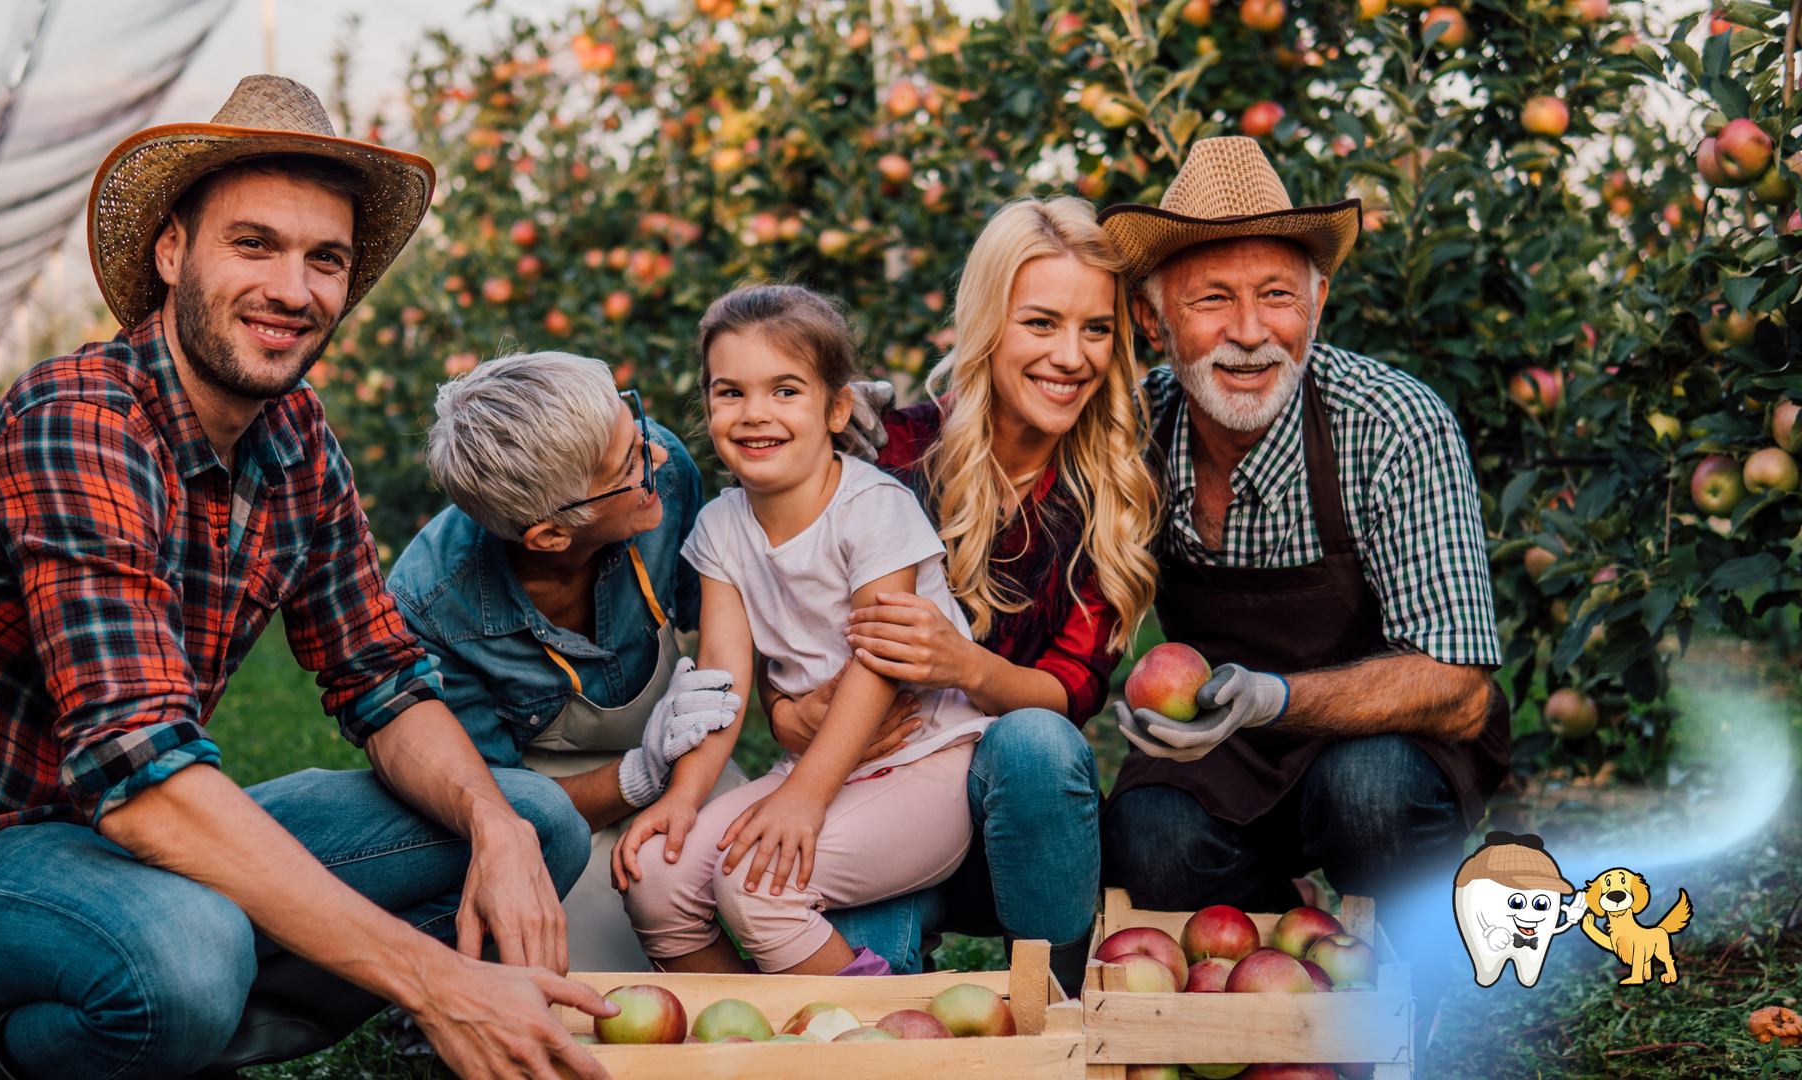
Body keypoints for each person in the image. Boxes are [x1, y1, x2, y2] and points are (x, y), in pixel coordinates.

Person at [0, 76, 617, 1080]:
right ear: (173, 250)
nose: (295, 289)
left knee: (532, 822)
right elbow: (139, 779)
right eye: (255, 244)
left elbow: (381, 679)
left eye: (326, 260)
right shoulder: (79, 420)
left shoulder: (297, 442)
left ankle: (179, 1049)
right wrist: (436, 980)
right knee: (186, 955)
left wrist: (491, 824)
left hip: (146, 837)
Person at [1097, 137, 1508, 1017]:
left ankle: (1429, 982)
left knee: (1369, 795)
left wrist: (1276, 697)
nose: (1250, 332)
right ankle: (1295, 975)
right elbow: (997, 459)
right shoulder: (1130, 433)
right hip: (1222, 742)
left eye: (1277, 295)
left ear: (1318, 304)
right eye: (1212, 300)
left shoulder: (1389, 424)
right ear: (1152, 320)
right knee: (1146, 834)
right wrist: (882, 436)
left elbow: (1464, 689)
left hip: (1385, 735)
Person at [777, 197, 1159, 991]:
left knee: (1035, 743)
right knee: (876, 1017)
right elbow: (788, 616)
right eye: (1042, 323)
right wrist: (793, 713)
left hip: (1020, 818)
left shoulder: (1109, 493)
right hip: (891, 799)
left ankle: (1056, 1015)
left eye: (1096, 329)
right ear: (987, 324)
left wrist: (964, 665)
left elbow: (1071, 692)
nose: (1073, 356)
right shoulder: (892, 455)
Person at [617, 284, 995, 975]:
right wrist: (682, 798)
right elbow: (721, 683)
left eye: (785, 390)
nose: (755, 413)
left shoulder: (874, 508)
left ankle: (872, 1047)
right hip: (818, 766)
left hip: (923, 764)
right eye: (729, 392)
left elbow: (881, 664)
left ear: (837, 406)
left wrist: (805, 798)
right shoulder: (721, 527)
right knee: (656, 884)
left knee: (758, 886)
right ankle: (747, 1046)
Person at [387, 351, 748, 972]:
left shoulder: (659, 472)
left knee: (775, 895)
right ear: (551, 535)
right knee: (599, 1008)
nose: (657, 459)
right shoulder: (430, 606)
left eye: (634, 430)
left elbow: (729, 613)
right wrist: (639, 773)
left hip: (691, 758)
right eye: (629, 464)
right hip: (554, 817)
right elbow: (496, 807)